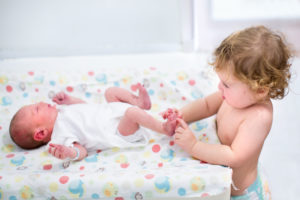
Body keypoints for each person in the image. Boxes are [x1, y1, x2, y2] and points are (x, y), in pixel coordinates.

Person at [168, 26, 292, 199]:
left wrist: (194, 146)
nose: (219, 88)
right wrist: (181, 115)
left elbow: (234, 156)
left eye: (226, 84)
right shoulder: (236, 97)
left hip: (240, 194)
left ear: (260, 90)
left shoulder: (259, 117)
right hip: (220, 181)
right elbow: (206, 105)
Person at [9, 83, 177, 161]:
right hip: (118, 131)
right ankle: (163, 128)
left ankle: (139, 103)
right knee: (131, 113)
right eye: (36, 110)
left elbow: (85, 109)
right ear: (40, 133)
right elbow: (81, 151)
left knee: (110, 92)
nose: (40, 104)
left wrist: (69, 99)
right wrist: (69, 153)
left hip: (109, 112)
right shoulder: (59, 137)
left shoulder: (62, 111)